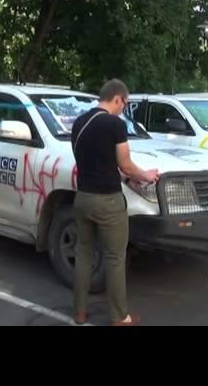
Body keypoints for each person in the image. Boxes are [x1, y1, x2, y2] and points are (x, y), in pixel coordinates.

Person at [71, 79, 159, 326]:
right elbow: (126, 163)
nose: (124, 108)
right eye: (125, 103)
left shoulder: (79, 123)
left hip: (82, 198)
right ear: (117, 98)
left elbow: (95, 162)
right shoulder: (115, 124)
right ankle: (120, 317)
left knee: (84, 253)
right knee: (114, 258)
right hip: (108, 202)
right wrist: (146, 175)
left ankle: (79, 312)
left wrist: (126, 178)